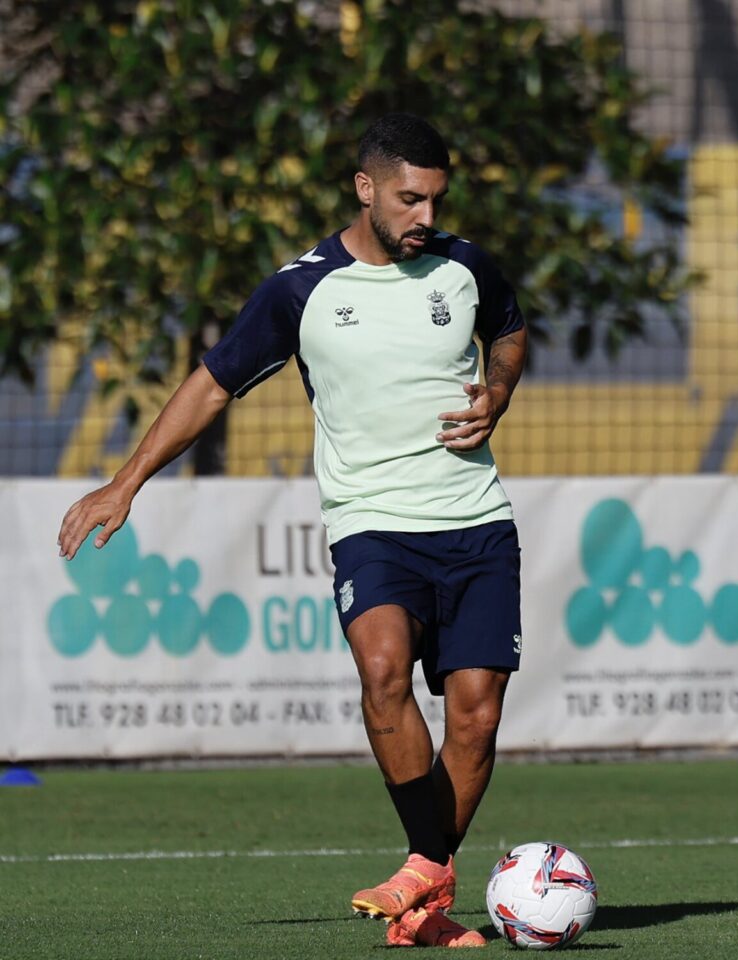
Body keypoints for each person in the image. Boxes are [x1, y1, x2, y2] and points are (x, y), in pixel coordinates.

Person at [57, 113, 527, 949]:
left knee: (477, 720)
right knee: (382, 673)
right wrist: (125, 483)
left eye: (436, 200)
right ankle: (429, 869)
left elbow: (512, 331)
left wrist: (497, 390)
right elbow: (211, 385)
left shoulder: (466, 267)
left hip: (476, 520)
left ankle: (422, 892)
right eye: (409, 199)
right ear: (365, 188)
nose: (425, 217)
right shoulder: (302, 290)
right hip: (372, 524)